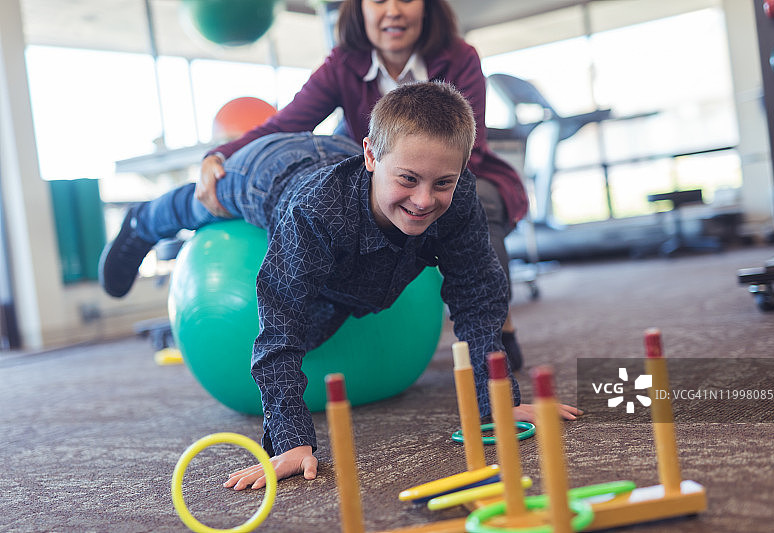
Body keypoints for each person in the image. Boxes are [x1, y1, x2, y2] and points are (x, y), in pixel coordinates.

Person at [100, 82, 580, 487]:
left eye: (442, 183)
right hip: (270, 171)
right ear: (372, 155)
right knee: (207, 200)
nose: (423, 200)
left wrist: (497, 402)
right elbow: (280, 325)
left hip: (341, 165)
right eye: (408, 180)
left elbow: (476, 297)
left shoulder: (458, 196)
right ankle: (142, 220)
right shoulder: (312, 213)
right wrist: (290, 441)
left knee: (331, 315)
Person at [196, 0, 529, 370]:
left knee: (474, 198)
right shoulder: (343, 63)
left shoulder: (459, 57)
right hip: (374, 187)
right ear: (360, 8)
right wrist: (221, 154)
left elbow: (470, 150)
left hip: (459, 174)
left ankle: (497, 325)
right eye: (379, 0)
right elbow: (286, 124)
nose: (393, 10)